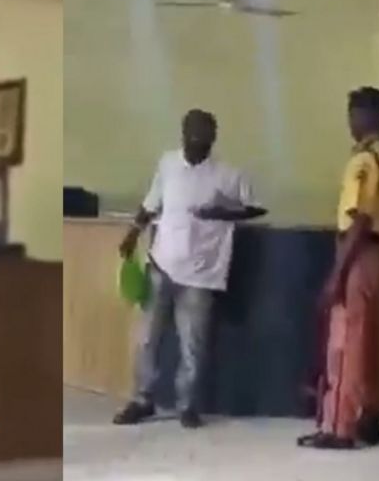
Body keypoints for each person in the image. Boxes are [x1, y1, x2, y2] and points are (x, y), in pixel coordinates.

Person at [113, 109, 266, 429]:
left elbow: (255, 209)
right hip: (161, 264)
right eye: (194, 135)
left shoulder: (228, 175)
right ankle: (142, 400)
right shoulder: (167, 164)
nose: (200, 141)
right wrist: (133, 233)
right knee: (146, 339)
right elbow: (151, 203)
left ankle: (187, 406)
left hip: (201, 273)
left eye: (206, 136)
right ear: (183, 134)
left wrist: (222, 214)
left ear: (214, 138)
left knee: (192, 345)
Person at [298, 86, 379, 450]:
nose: (350, 122)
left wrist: (337, 274)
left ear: (368, 115)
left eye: (353, 114)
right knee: (369, 340)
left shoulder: (364, 160)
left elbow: (360, 218)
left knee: (346, 343)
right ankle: (369, 419)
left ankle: (339, 427)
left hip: (357, 252)